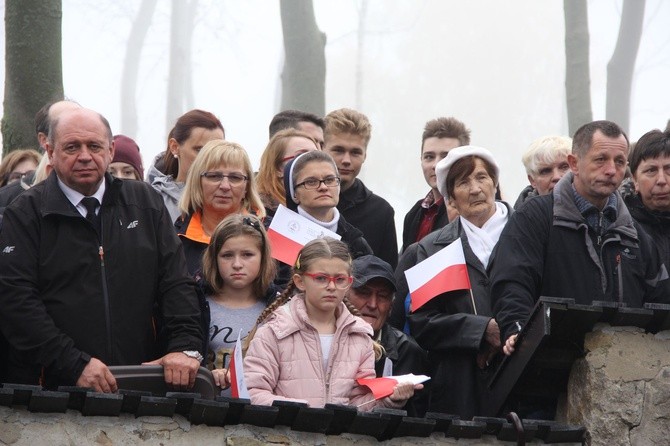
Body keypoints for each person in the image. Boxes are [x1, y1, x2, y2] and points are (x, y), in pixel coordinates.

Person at [0, 107, 204, 391]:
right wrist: (74, 364)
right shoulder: (24, 213)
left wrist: (185, 346)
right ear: (50, 150)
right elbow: (17, 301)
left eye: (94, 146)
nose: (85, 155)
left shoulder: (144, 203)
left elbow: (175, 282)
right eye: (72, 147)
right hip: (53, 392)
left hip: (139, 383)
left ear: (110, 151)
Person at [492, 120, 670, 358]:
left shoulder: (635, 235)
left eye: (619, 161)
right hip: (549, 367)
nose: (611, 170)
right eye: (601, 159)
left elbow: (660, 300)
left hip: (620, 374)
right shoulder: (534, 217)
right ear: (574, 163)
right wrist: (516, 329)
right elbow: (513, 282)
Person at [243, 237, 420, 408]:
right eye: (321, 278)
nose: (331, 287)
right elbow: (253, 392)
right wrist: (304, 412)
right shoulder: (274, 331)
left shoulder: (360, 336)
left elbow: (358, 401)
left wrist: (387, 399)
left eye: (340, 279)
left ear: (349, 283)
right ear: (300, 281)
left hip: (337, 438)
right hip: (285, 436)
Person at [398, 146, 509, 419]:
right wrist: (481, 329)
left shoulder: (525, 234)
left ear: (495, 183)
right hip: (460, 385)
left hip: (522, 377)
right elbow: (422, 321)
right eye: (463, 182)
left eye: (482, 177)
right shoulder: (433, 248)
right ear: (451, 200)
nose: (475, 189)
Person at [199, 215, 277, 393]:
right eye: (227, 255)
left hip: (263, 412)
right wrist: (207, 374)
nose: (237, 264)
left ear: (263, 257)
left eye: (247, 255)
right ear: (214, 259)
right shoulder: (198, 305)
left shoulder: (279, 306)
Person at [348, 255, 429, 416]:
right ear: (345, 296)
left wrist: (396, 403)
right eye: (364, 292)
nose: (372, 304)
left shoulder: (408, 352)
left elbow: (415, 421)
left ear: (391, 306)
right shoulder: (326, 338)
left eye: (382, 296)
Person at [176, 139, 265, 276]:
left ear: (246, 187)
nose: (225, 186)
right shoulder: (175, 238)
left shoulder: (270, 233)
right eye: (214, 176)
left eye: (235, 178)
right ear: (197, 182)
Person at [323, 108, 398, 269]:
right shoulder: (299, 200)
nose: (346, 160)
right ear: (321, 148)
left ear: (365, 156)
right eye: (338, 150)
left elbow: (387, 277)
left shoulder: (381, 212)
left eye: (355, 152)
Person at [284, 150, 372, 259]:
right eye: (311, 182)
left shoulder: (357, 243)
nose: (323, 187)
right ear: (294, 194)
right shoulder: (279, 236)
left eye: (330, 180)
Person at [401, 117, 471, 253]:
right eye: (429, 157)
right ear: (420, 160)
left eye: (446, 157)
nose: (436, 165)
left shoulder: (473, 210)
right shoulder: (413, 214)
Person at [149, 109, 225, 222]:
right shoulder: (152, 200)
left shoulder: (235, 196)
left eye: (217, 151)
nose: (211, 159)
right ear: (174, 147)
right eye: (200, 150)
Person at [621, 127, 670, 269]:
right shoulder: (619, 228)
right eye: (651, 170)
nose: (661, 180)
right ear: (634, 179)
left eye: (669, 169)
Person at [256, 128, 319, 216]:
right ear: (278, 168)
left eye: (318, 156)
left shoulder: (328, 210)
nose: (315, 163)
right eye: (301, 156)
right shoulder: (258, 216)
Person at [514, 135, 571, 209]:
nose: (556, 177)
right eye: (545, 171)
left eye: (564, 167)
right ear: (532, 181)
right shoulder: (520, 218)